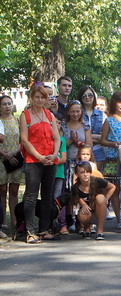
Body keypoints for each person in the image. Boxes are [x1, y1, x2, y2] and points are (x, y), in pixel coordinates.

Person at [19, 84, 61, 243]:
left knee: (47, 195)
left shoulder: (50, 115)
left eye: (43, 97)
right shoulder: (25, 115)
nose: (40, 100)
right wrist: (39, 156)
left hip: (51, 159)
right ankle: (30, 231)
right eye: (37, 97)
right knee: (31, 196)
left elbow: (56, 138)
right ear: (32, 98)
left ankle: (45, 229)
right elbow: (24, 139)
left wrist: (54, 154)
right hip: (33, 160)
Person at [100, 91, 121, 223]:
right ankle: (120, 219)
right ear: (114, 103)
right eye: (119, 102)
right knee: (114, 188)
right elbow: (102, 140)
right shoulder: (109, 120)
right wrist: (113, 144)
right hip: (112, 158)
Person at [71, 161, 115, 240]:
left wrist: (106, 198)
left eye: (87, 172)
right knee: (82, 214)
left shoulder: (97, 181)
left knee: (100, 197)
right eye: (82, 172)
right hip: (87, 212)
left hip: (100, 210)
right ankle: (87, 228)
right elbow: (76, 198)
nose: (85, 174)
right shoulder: (75, 187)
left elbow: (112, 187)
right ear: (77, 174)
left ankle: (100, 231)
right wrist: (83, 204)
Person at [0, 95, 24, 229]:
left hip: (15, 159)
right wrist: (5, 154)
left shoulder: (16, 120)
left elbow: (22, 141)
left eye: (9, 103)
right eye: (4, 104)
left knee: (14, 191)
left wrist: (13, 153)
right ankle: (3, 220)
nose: (7, 106)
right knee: (2, 190)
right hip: (2, 159)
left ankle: (15, 219)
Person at [62, 100, 93, 189]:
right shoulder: (63, 125)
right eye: (72, 111)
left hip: (81, 163)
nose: (75, 114)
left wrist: (78, 142)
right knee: (67, 188)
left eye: (77, 111)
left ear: (81, 112)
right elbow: (60, 146)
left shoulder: (85, 125)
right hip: (67, 161)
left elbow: (89, 145)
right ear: (68, 112)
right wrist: (71, 140)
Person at [77, 86, 106, 171]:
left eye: (90, 95)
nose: (87, 97)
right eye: (84, 96)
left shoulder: (101, 114)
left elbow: (104, 137)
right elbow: (77, 133)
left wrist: (88, 137)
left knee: (96, 176)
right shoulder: (77, 113)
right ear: (80, 98)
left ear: (94, 97)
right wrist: (95, 137)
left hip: (98, 150)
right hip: (81, 151)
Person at [53, 129, 68, 235]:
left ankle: (61, 224)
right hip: (46, 174)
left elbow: (63, 159)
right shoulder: (47, 139)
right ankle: (49, 224)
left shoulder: (62, 140)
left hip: (59, 174)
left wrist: (50, 160)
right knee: (48, 198)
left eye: (58, 123)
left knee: (57, 200)